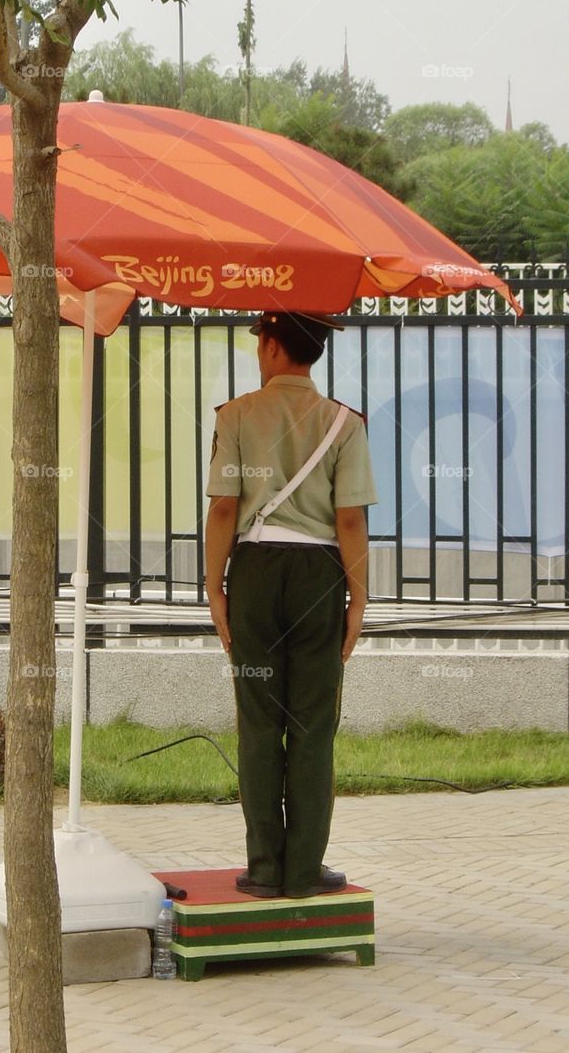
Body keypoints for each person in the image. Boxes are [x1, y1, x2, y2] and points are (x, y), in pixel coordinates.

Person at [204, 311, 377, 899]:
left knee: (258, 722)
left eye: (261, 342)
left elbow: (224, 508)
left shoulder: (235, 416)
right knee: (312, 726)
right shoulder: (343, 424)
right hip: (320, 576)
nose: (259, 353)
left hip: (254, 572)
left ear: (274, 347)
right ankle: (305, 869)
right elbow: (351, 518)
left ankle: (264, 868)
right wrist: (359, 597)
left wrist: (215, 587)